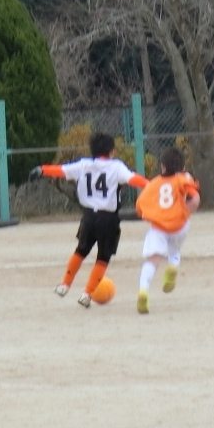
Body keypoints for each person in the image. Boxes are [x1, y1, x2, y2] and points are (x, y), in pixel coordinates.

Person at [30, 131, 146, 308]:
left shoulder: (83, 165)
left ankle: (65, 284)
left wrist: (42, 169)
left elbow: (61, 170)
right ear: (111, 151)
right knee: (103, 257)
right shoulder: (116, 166)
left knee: (81, 251)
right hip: (108, 218)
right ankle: (87, 293)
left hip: (89, 216)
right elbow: (133, 179)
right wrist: (152, 184)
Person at [132, 147, 200, 315]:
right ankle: (173, 265)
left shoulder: (154, 183)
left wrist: (147, 215)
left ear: (162, 166)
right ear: (182, 167)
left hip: (159, 227)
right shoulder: (184, 178)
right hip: (180, 226)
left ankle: (143, 290)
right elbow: (195, 199)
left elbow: (139, 206)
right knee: (174, 250)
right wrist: (185, 211)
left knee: (152, 260)